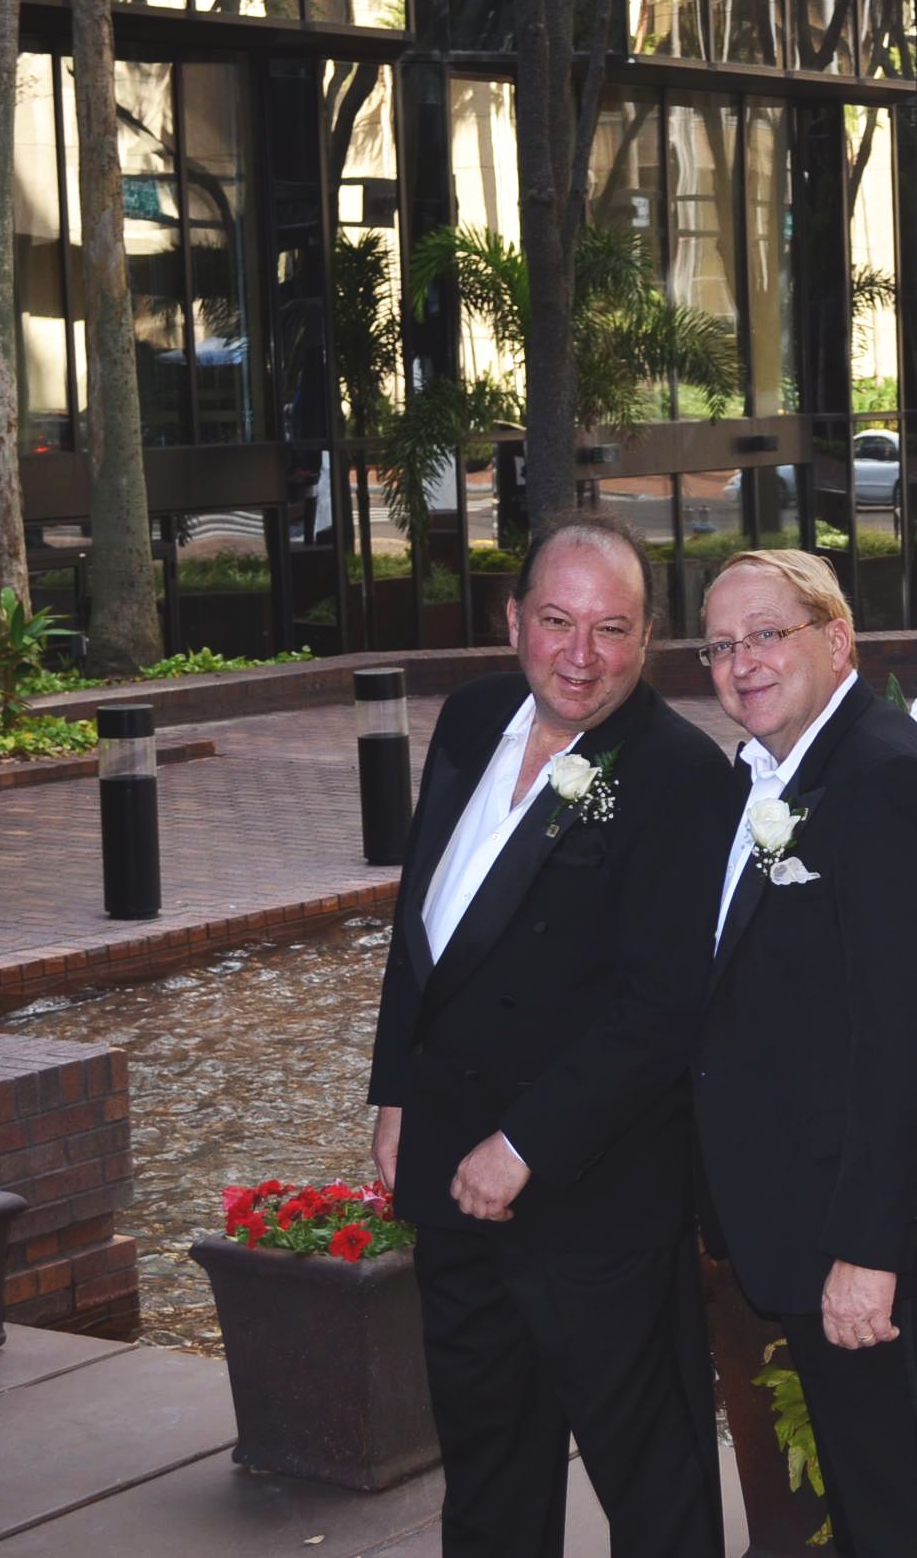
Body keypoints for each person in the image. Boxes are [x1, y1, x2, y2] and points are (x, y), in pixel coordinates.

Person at [366, 513, 736, 1558]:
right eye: (558, 621)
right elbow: (420, 924)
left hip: (596, 1204)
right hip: (452, 1179)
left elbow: (661, 1010)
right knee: (487, 1475)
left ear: (648, 637)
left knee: (653, 1490)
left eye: (611, 628)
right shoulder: (472, 718)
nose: (582, 654)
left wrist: (523, 1146)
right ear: (513, 621)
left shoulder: (681, 776)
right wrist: (395, 1090)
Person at [695, 549, 917, 1558]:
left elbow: (913, 1043)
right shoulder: (775, 774)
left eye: (767, 634)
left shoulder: (885, 780)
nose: (741, 662)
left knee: (905, 1521)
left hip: (893, 1242)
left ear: (836, 639)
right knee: (874, 1509)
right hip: (820, 1217)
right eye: (719, 645)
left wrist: (869, 1254)